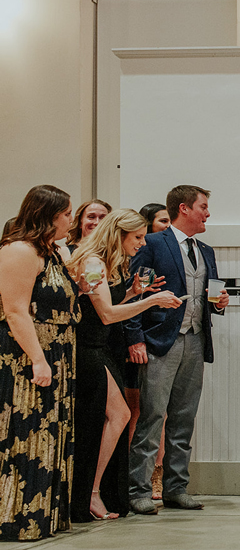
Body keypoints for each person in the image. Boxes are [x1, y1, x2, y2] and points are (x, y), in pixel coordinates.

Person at [66, 209, 181, 522]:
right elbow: (105, 314)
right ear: (119, 235)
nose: (142, 244)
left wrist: (134, 292)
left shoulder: (106, 264)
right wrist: (149, 302)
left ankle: (94, 490)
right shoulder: (92, 263)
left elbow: (106, 302)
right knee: (120, 414)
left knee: (120, 415)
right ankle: (90, 493)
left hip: (99, 348)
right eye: (138, 237)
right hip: (88, 350)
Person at [125, 185, 229, 514]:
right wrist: (134, 338)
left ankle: (176, 487)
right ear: (184, 209)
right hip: (159, 342)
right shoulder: (153, 243)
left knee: (184, 418)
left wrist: (220, 303)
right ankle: (138, 489)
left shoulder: (207, 251)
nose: (208, 213)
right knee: (152, 417)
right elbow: (134, 293)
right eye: (203, 207)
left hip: (196, 340)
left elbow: (207, 294)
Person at [0, 186, 81, 541]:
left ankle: (41, 516)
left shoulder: (51, 253)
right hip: (26, 357)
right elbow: (15, 311)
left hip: (58, 352)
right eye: (66, 214)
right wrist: (38, 359)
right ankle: (16, 517)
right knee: (25, 433)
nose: (71, 220)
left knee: (49, 433)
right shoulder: (19, 251)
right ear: (48, 216)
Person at [127, 202, 171, 499]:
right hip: (140, 338)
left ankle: (158, 473)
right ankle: (137, 476)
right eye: (163, 221)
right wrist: (135, 337)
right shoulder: (145, 252)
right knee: (138, 410)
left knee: (160, 411)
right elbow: (133, 300)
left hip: (162, 339)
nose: (167, 227)